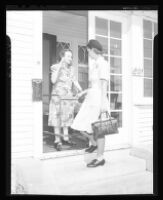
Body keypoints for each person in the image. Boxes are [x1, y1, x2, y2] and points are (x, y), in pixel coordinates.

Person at [71, 39, 109, 167]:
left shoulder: (103, 63)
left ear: (93, 50)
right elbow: (94, 85)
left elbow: (104, 84)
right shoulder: (95, 64)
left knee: (99, 130)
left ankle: (100, 158)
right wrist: (83, 93)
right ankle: (93, 144)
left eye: (88, 52)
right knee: (79, 124)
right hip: (91, 99)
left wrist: (103, 103)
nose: (88, 54)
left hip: (99, 100)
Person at [48, 49, 82, 151]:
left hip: (67, 96)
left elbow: (74, 80)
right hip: (57, 97)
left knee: (66, 117)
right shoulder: (55, 67)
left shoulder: (71, 69)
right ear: (62, 57)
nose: (70, 58)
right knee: (57, 117)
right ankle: (57, 140)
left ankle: (66, 138)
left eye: (71, 56)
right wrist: (60, 65)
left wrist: (80, 89)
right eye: (68, 56)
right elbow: (53, 80)